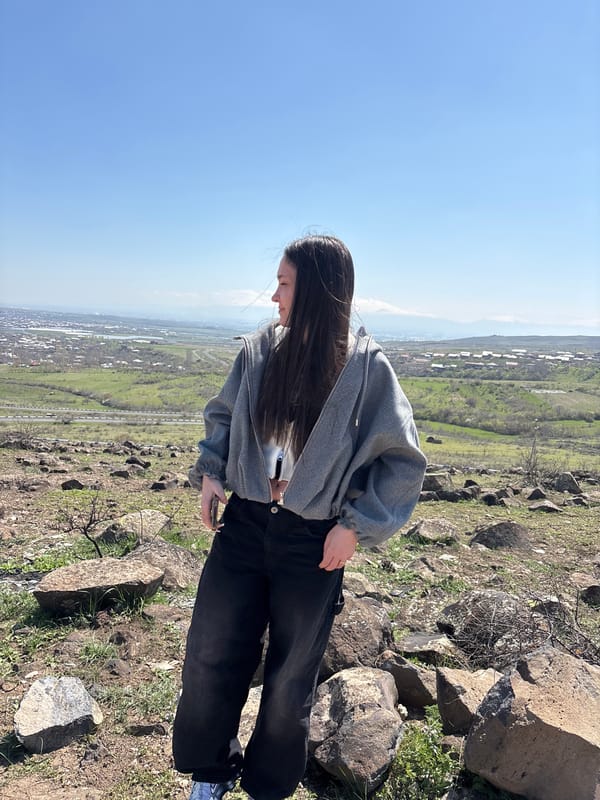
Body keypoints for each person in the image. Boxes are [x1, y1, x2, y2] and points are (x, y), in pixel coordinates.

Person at [172, 234, 427, 800]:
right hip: (243, 525)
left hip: (313, 541)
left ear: (314, 290)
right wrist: (211, 472)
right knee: (211, 651)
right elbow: (222, 414)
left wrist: (355, 526)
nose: (274, 298)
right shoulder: (260, 351)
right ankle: (211, 771)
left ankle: (266, 786)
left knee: (290, 679)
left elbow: (403, 461)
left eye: (284, 285)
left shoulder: (365, 369)